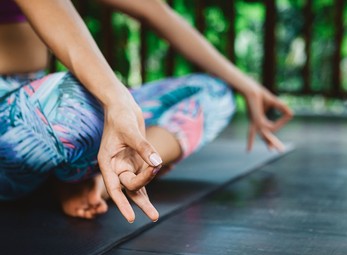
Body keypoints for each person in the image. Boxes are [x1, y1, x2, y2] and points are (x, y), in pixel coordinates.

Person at [0, 0, 293, 222]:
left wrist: (248, 87)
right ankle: (83, 171)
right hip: (25, 117)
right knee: (74, 100)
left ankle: (106, 178)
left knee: (215, 92)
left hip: (35, 98)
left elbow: (155, 9)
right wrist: (115, 100)